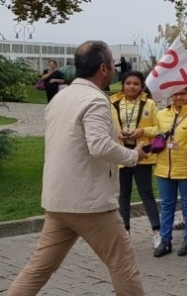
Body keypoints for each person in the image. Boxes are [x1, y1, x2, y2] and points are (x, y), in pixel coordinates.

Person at [9, 41, 148, 296]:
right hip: (90, 203)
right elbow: (98, 146)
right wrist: (132, 155)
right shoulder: (95, 99)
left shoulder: (61, 97)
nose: (116, 72)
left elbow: (77, 140)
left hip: (58, 199)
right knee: (123, 266)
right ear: (104, 68)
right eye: (113, 66)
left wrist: (113, 135)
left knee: (38, 268)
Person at [149, 86, 187, 258]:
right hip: (164, 167)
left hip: (186, 167)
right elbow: (154, 134)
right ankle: (165, 240)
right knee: (166, 204)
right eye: (175, 93)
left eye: (183, 93)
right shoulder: (162, 114)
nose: (179, 97)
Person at [110, 71, 161, 248]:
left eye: (136, 84)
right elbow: (106, 125)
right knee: (123, 195)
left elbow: (160, 129)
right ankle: (125, 234)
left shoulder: (150, 104)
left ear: (141, 86)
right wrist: (116, 133)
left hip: (141, 153)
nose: (132, 86)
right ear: (122, 85)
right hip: (121, 152)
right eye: (128, 83)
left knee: (146, 193)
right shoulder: (113, 103)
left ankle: (157, 232)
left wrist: (143, 131)